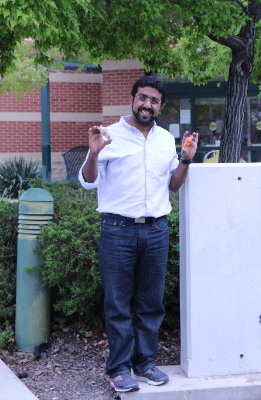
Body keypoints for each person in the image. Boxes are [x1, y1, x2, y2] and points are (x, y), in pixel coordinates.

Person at [79, 75, 198, 392]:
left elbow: (173, 184)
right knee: (118, 304)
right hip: (117, 230)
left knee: (151, 303)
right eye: (143, 98)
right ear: (132, 100)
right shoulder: (109, 136)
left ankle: (145, 362)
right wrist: (93, 153)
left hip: (157, 230)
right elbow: (89, 181)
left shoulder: (164, 140)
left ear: (161, 106)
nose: (147, 104)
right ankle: (118, 368)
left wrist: (185, 159)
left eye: (154, 100)